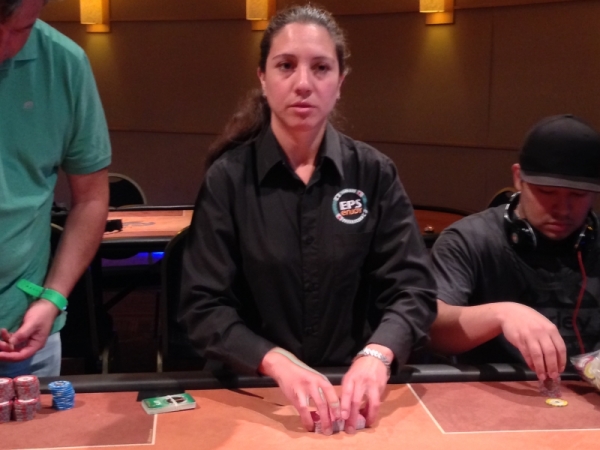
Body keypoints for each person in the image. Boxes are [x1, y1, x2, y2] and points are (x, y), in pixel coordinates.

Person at [179, 5, 436, 436]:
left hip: (352, 390)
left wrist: (377, 354)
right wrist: (274, 361)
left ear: (340, 82)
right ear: (263, 78)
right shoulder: (227, 179)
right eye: (286, 66)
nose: (303, 83)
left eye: (320, 68)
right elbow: (202, 307)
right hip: (255, 390)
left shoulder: (374, 173)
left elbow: (414, 291)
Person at [429, 114, 600, 383]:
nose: (562, 209)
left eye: (578, 196)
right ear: (519, 178)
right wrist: (501, 314)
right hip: (491, 395)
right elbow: (431, 329)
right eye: (547, 192)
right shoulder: (469, 239)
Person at [0, 0, 111, 377]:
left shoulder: (65, 62)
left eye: (21, 29)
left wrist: (52, 298)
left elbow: (91, 199)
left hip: (25, 335)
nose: (4, 47)